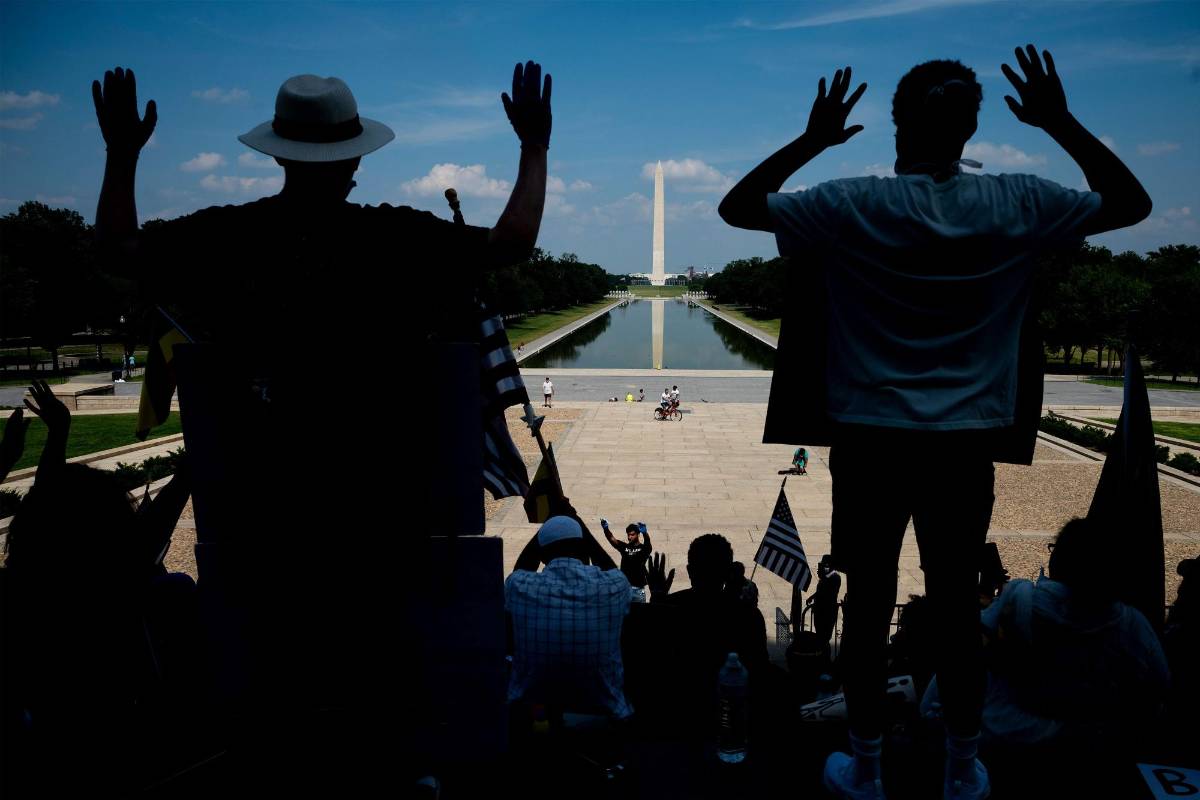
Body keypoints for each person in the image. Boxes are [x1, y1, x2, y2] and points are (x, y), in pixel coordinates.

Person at [719, 46, 1151, 800]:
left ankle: (867, 766)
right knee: (955, 609)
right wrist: (1059, 122)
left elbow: (738, 207)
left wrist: (813, 140)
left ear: (896, 126)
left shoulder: (852, 201)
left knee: (868, 604)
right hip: (964, 442)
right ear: (970, 127)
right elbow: (1130, 202)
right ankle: (961, 766)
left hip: (870, 437)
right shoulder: (1018, 200)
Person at [922, 518, 1169, 750]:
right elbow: (1159, 688)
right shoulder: (1133, 625)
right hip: (1092, 745)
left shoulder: (1021, 599)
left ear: (1059, 560)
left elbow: (961, 659)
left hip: (1005, 734)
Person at [506, 514, 632, 719]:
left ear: (542, 556)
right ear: (584, 549)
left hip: (531, 714)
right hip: (603, 714)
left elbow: (520, 569)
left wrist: (549, 522)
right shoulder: (613, 587)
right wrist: (580, 526)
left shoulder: (521, 587)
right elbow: (613, 571)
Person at [601, 519, 653, 602]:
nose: (629, 537)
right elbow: (612, 539)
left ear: (638, 534)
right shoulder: (624, 547)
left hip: (638, 590)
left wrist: (645, 533)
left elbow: (648, 544)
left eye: (632, 535)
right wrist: (606, 529)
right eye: (628, 535)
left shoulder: (643, 549)